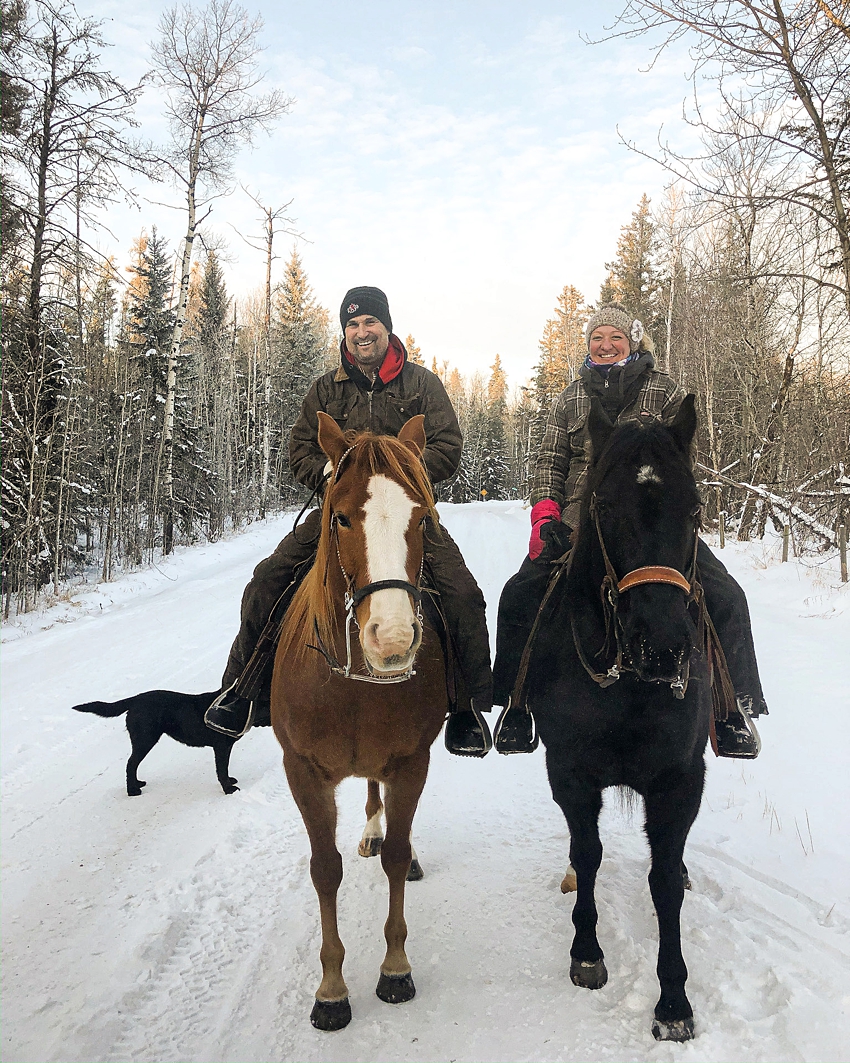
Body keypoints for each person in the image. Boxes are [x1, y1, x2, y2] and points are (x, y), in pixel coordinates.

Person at [205, 286, 493, 756]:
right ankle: (243, 690)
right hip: (339, 516)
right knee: (268, 580)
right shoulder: (326, 387)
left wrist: (402, 472)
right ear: (345, 332)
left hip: (404, 514)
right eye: (353, 325)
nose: (362, 333)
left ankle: (467, 708)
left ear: (387, 328)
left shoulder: (422, 385)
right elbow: (300, 448)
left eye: (370, 324)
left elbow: (448, 444)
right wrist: (330, 473)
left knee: (460, 592)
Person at [493, 302, 768, 758]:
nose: (605, 345)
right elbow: (549, 461)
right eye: (597, 337)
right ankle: (516, 703)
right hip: (581, 519)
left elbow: (682, 456)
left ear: (633, 341)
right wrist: (546, 517)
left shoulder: (664, 390)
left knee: (725, 595)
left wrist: (672, 506)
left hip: (655, 522)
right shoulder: (571, 397)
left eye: (615, 337)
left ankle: (731, 706)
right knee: (522, 592)